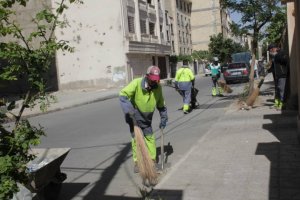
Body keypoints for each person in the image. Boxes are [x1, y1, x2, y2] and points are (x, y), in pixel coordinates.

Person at [119, 66, 168, 173]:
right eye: (152, 79)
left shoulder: (158, 87)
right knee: (136, 139)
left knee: (150, 137)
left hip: (146, 118)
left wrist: (164, 117)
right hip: (133, 115)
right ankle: (137, 162)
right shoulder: (136, 83)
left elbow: (161, 105)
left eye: (156, 79)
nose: (154, 82)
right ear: (147, 76)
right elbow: (122, 95)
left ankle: (152, 160)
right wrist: (129, 111)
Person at [268, 44, 289, 110]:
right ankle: (277, 104)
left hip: (282, 75)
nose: (270, 52)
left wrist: (276, 56)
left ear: (273, 49)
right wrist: (268, 70)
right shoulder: (274, 56)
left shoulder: (281, 53)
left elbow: (285, 61)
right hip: (277, 76)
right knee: (277, 90)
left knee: (282, 90)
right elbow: (273, 66)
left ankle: (283, 105)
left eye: (270, 50)